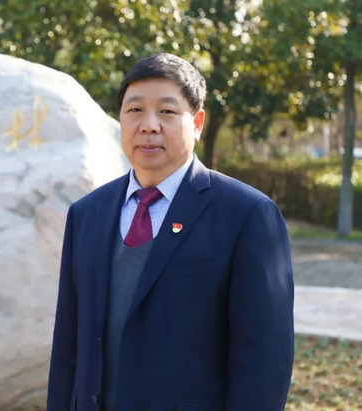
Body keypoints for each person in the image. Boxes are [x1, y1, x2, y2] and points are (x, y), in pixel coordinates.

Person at [47, 53, 294, 410]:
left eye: (166, 111)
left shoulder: (247, 215)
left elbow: (264, 362)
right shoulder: (87, 214)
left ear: (196, 122)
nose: (149, 125)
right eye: (134, 110)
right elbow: (68, 347)